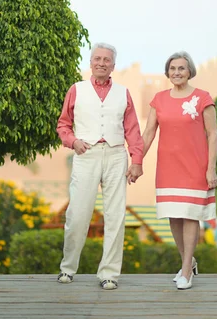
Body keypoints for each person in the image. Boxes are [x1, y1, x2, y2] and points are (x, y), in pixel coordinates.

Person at [56, 42, 144, 290]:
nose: (101, 63)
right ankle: (68, 268)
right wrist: (73, 142)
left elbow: (133, 130)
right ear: (91, 62)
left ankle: (109, 273)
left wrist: (136, 160)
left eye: (106, 60)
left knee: (116, 215)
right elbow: (63, 124)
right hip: (86, 153)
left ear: (113, 66)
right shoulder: (76, 90)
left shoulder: (123, 92)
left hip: (116, 154)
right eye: (97, 59)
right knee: (78, 213)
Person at [141, 51, 217, 290]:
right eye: (172, 68)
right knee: (174, 216)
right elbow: (149, 133)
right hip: (168, 167)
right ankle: (189, 261)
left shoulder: (203, 98)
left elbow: (213, 134)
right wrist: (135, 160)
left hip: (195, 166)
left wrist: (211, 168)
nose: (177, 72)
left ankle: (186, 270)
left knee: (189, 214)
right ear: (167, 72)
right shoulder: (159, 99)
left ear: (189, 71)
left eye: (181, 68)